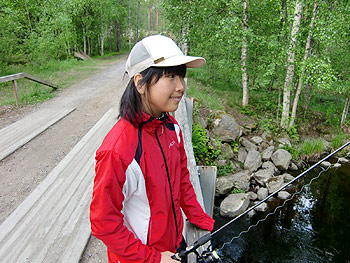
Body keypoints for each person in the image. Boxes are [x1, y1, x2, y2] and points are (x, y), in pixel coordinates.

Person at [90, 35, 215, 263]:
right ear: (140, 83)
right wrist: (153, 259)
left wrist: (202, 220)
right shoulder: (117, 151)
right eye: (170, 76)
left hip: (175, 246)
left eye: (181, 76)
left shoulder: (171, 127)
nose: (180, 87)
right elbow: (103, 223)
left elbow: (182, 181)